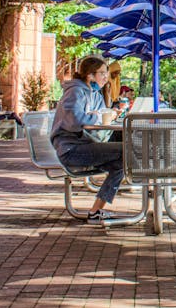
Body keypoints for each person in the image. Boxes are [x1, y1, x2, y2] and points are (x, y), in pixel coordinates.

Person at [50, 56, 124, 225]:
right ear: (90, 75)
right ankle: (154, 186)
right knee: (127, 150)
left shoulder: (95, 94)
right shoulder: (75, 92)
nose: (106, 77)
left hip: (87, 145)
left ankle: (95, 212)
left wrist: (109, 115)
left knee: (122, 161)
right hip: (71, 150)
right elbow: (75, 120)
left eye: (106, 73)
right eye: (102, 73)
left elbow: (100, 119)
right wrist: (98, 117)